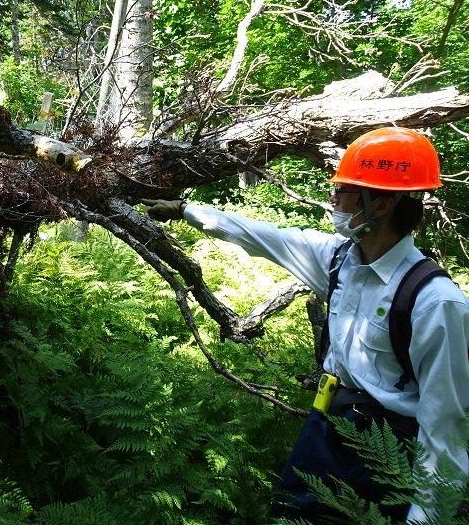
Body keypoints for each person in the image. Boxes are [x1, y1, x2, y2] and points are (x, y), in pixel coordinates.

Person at [143, 127, 469, 523]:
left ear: (380, 205)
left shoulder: (435, 303)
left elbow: (446, 426)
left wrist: (427, 518)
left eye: (345, 189)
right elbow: (267, 237)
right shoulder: (338, 260)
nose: (334, 197)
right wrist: (185, 210)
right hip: (325, 426)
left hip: (387, 453)